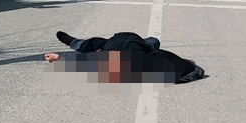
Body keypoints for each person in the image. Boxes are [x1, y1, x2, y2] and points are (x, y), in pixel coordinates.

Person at [46, 31, 205, 84]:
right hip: (122, 41)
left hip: (130, 40)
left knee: (153, 42)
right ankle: (73, 41)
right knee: (90, 45)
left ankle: (73, 42)